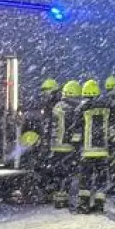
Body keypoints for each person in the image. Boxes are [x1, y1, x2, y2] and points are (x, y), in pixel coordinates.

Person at [17, 78, 60, 204]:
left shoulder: (56, 108)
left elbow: (51, 127)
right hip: (50, 144)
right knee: (44, 168)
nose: (45, 96)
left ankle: (52, 192)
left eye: (47, 92)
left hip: (55, 145)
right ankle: (49, 191)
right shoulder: (47, 108)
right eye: (44, 93)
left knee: (50, 169)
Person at [48, 80, 85, 209]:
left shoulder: (57, 106)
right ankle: (64, 198)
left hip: (55, 145)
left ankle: (59, 198)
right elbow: (74, 128)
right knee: (67, 173)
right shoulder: (73, 108)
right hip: (67, 146)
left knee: (58, 173)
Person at [76, 78, 111, 213]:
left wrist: (76, 146)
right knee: (101, 179)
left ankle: (83, 205)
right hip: (103, 152)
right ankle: (99, 205)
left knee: (85, 180)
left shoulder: (81, 108)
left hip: (86, 152)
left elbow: (76, 129)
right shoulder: (106, 108)